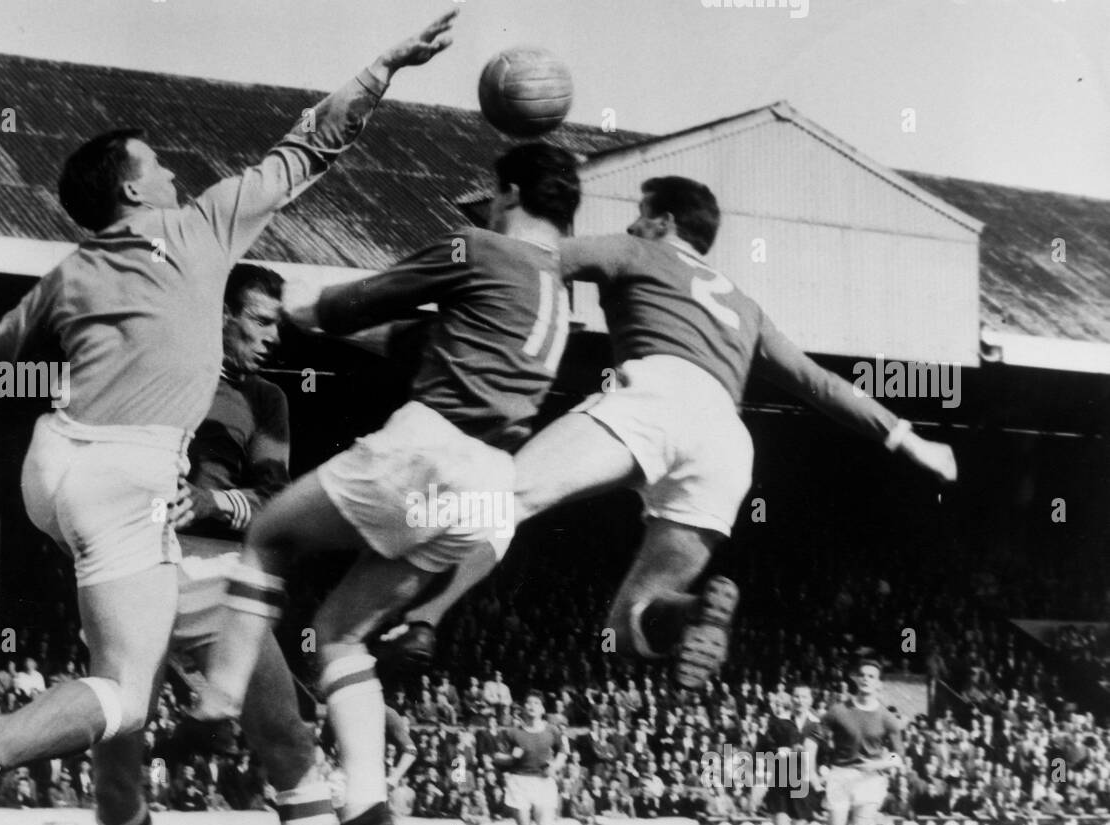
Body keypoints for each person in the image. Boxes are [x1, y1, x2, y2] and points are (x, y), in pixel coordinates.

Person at [0, 10, 456, 825]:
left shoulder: (73, 274)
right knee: (124, 707)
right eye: (159, 165)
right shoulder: (200, 226)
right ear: (136, 189)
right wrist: (383, 64)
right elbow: (310, 146)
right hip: (134, 490)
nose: (175, 173)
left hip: (66, 476)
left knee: (206, 732)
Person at [186, 143, 581, 825]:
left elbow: (348, 307)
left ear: (506, 190)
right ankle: (365, 802)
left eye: (488, 196)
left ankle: (213, 709)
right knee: (339, 634)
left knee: (268, 532)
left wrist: (294, 310)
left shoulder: (477, 248)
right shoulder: (557, 291)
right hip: (489, 483)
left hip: (429, 448)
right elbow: (413, 344)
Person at [387, 176, 958, 682]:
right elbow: (817, 383)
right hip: (728, 446)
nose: (632, 222)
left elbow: (525, 259)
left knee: (501, 500)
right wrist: (909, 439)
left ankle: (420, 623)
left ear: (663, 221)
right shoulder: (746, 305)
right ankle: (687, 610)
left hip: (656, 399)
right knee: (631, 623)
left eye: (640, 213)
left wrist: (424, 291)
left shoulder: (636, 250)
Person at [165, 262, 396, 825]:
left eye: (276, 323)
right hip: (126, 566)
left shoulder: (264, 399)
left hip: (208, 579)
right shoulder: (160, 368)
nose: (271, 336)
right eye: (260, 320)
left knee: (289, 743)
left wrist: (206, 504)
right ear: (221, 313)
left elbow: (267, 499)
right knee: (105, 726)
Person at [817, 660, 904, 825]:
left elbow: (899, 757)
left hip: (871, 781)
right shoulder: (837, 711)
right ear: (855, 679)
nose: (866, 679)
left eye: (872, 676)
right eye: (862, 675)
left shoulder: (888, 718)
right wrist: (814, 765)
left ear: (878, 683)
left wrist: (878, 765)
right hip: (840, 777)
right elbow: (816, 736)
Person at [493, 691, 567, 825]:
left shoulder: (552, 730)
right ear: (523, 708)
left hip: (544, 783)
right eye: (528, 703)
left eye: (536, 702)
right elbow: (497, 757)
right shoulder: (511, 733)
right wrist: (511, 757)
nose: (532, 706)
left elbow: (562, 752)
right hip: (519, 783)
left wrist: (555, 767)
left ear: (542, 709)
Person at [756, 684, 821, 825]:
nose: (799, 700)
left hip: (802, 782)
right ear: (791, 699)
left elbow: (824, 753)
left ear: (810, 700)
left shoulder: (816, 725)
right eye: (796, 696)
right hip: (781, 779)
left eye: (804, 696)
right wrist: (780, 752)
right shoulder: (780, 721)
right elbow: (763, 748)